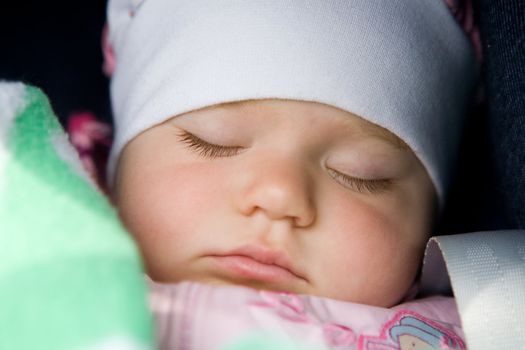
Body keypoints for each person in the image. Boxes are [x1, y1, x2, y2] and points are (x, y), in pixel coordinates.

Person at [104, 0, 478, 348]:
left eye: (360, 174)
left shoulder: (494, 319)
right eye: (213, 142)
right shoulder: (63, 278)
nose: (279, 196)